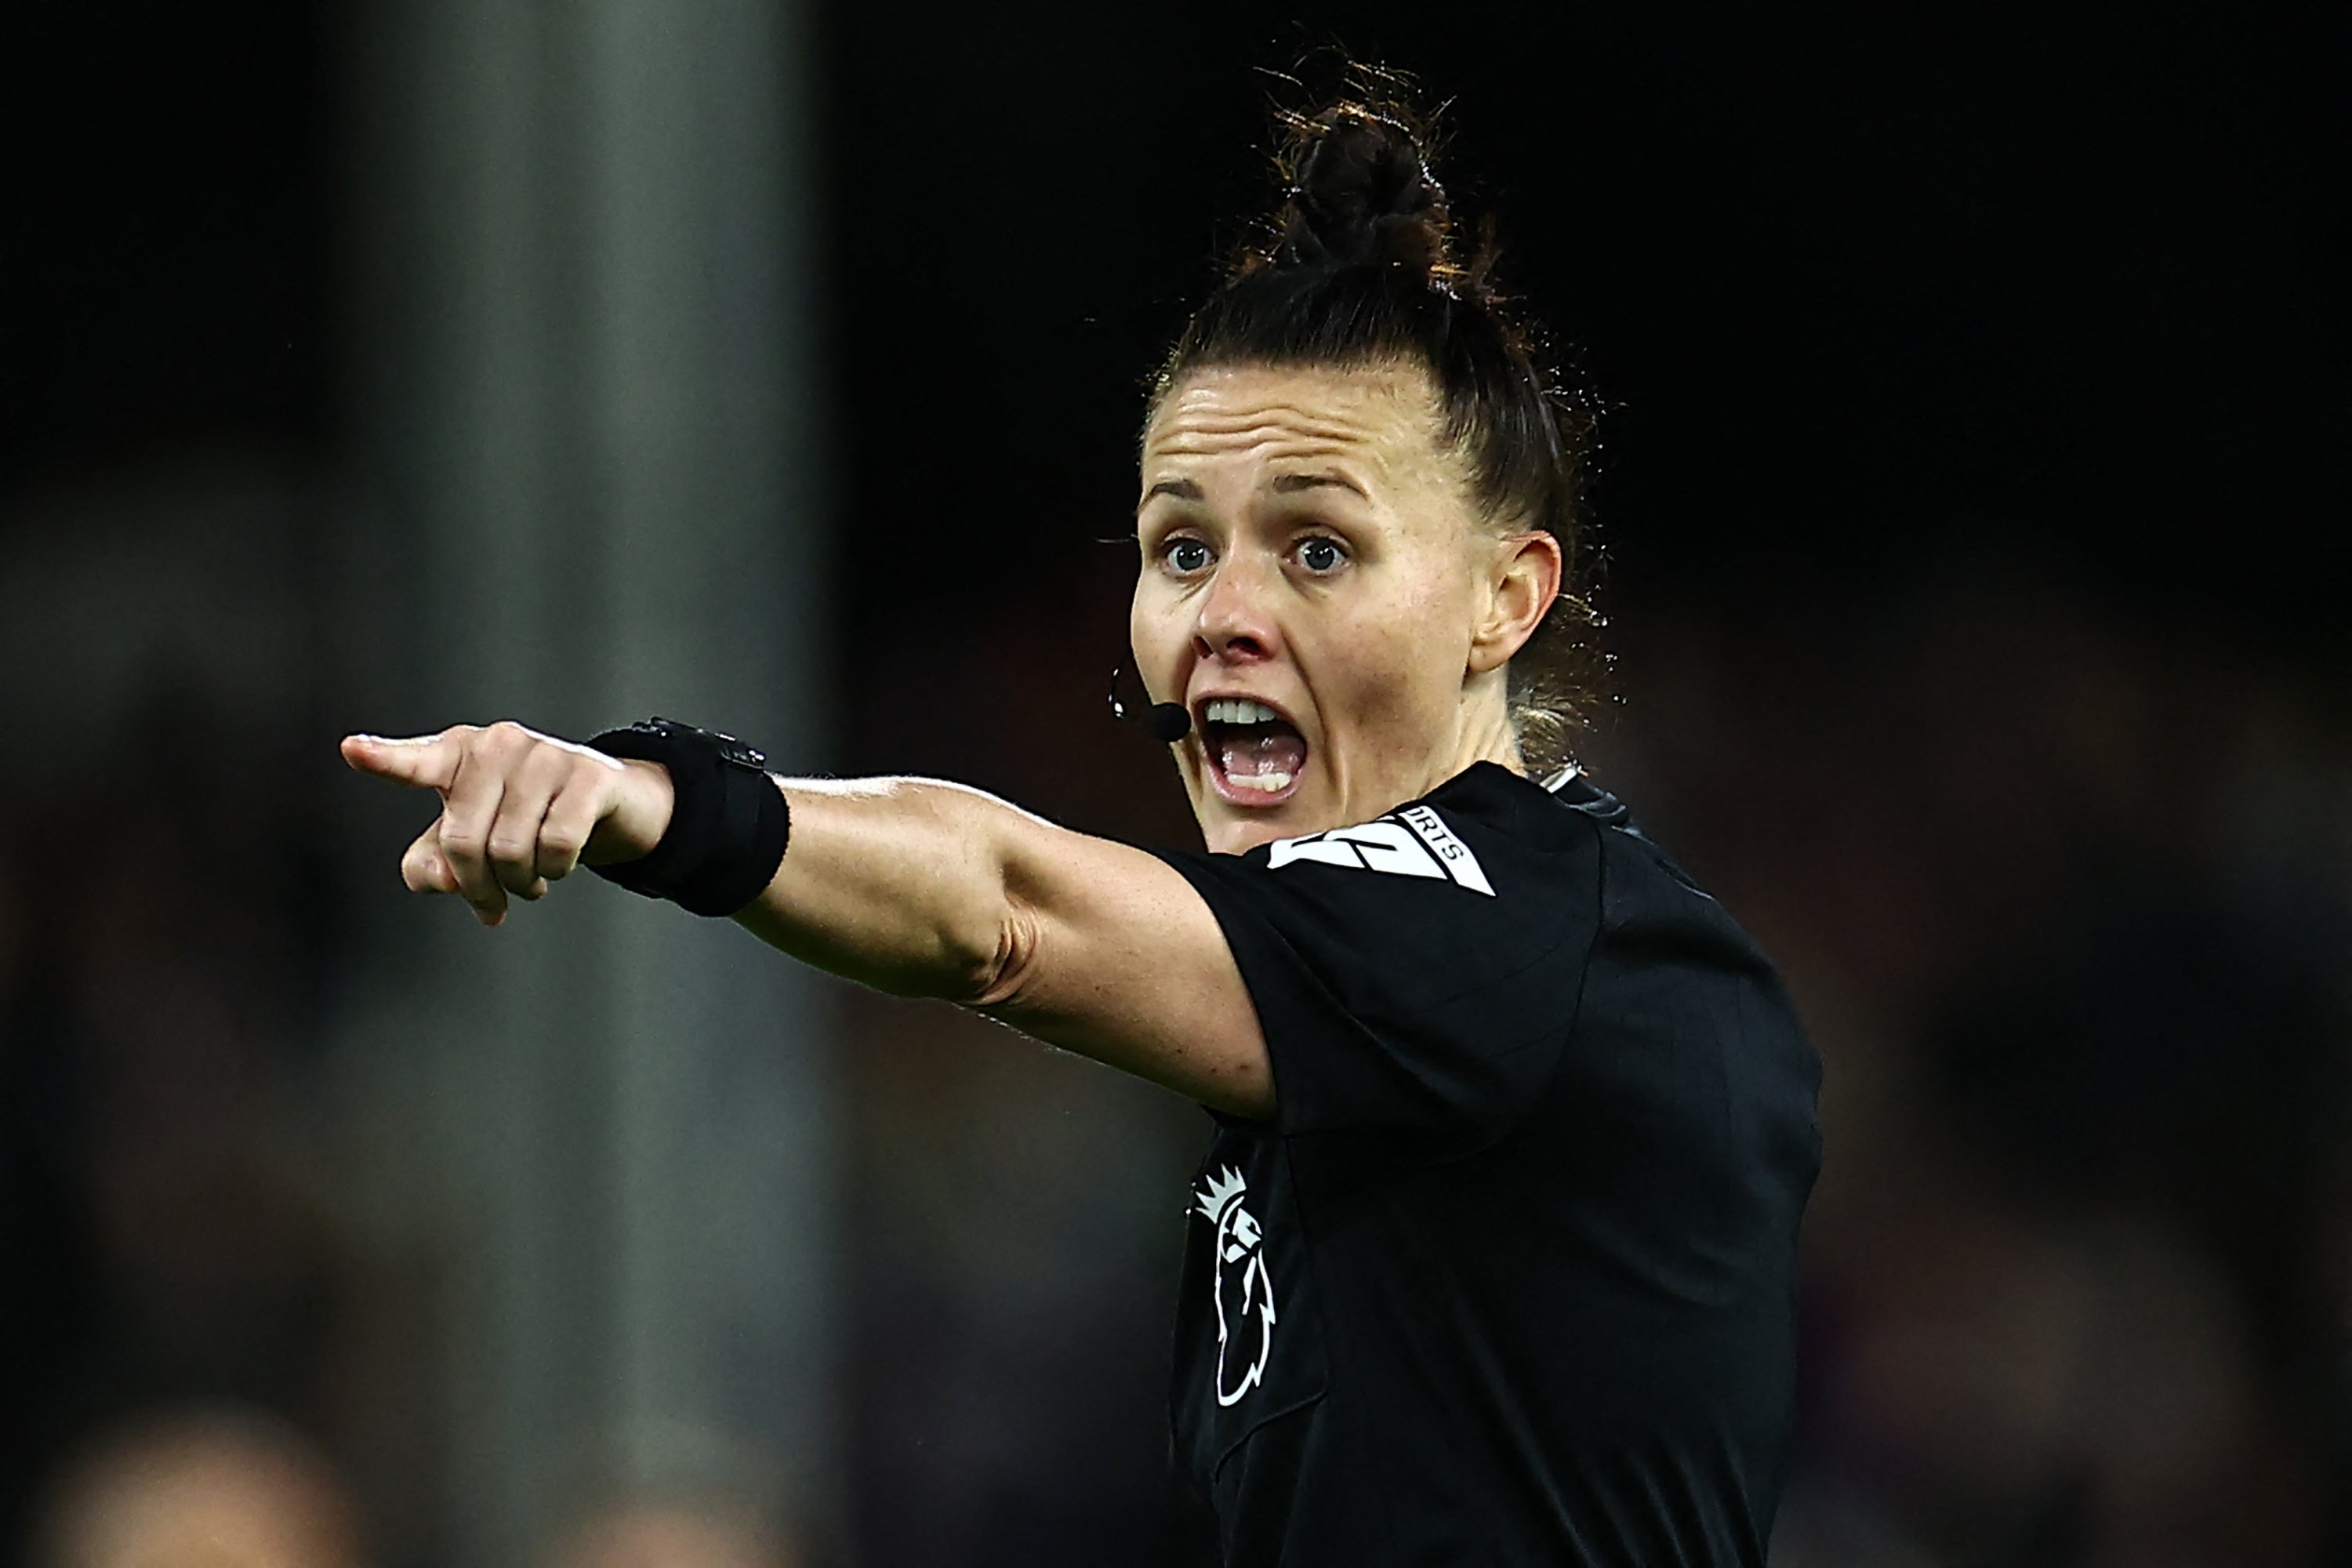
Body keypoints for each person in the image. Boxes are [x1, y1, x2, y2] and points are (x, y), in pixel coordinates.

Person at [344, 84, 1820, 1568]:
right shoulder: (1406, 1011)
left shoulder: (1522, 927)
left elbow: (1006, 915)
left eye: (1319, 547)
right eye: (1181, 547)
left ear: (1508, 596)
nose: (1225, 616)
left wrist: (660, 802)